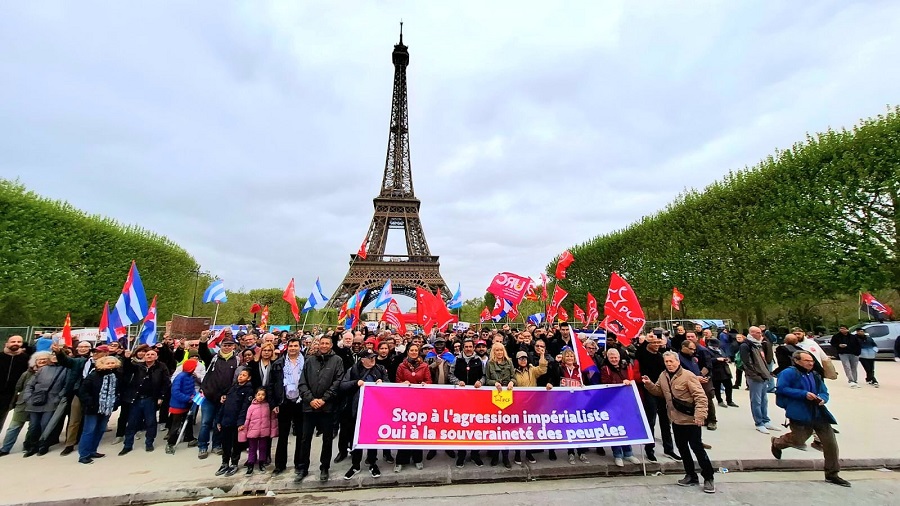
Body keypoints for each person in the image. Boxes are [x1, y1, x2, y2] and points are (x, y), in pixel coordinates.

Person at [771, 351, 849, 487]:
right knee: (798, 439)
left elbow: (824, 391)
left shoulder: (815, 374)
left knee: (830, 444)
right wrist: (803, 394)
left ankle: (832, 474)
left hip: (819, 414)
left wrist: (823, 399)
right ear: (797, 361)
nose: (811, 363)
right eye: (807, 360)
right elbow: (781, 389)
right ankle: (777, 443)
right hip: (799, 413)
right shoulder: (788, 373)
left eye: (811, 360)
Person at [642, 351, 715, 494]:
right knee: (682, 449)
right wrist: (649, 384)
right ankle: (690, 475)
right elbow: (659, 391)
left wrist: (700, 416)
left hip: (691, 420)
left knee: (697, 448)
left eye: (671, 361)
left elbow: (700, 397)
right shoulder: (663, 376)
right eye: (667, 362)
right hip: (676, 420)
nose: (669, 364)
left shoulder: (688, 376)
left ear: (678, 361)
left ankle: (708, 477)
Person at [296, 334, 344, 483]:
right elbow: (302, 382)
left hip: (327, 407)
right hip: (309, 407)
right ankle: (303, 467)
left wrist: (324, 399)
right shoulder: (310, 360)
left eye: (326, 343)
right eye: (321, 343)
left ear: (331, 345)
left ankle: (324, 467)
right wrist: (311, 399)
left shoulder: (337, 361)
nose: (323, 345)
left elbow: (338, 382)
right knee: (305, 439)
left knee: (327, 439)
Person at [340, 349, 388, 479]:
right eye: (369, 357)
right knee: (356, 437)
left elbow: (389, 384)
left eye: (373, 357)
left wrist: (382, 384)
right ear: (362, 359)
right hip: (357, 409)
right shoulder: (353, 370)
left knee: (372, 437)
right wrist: (355, 383)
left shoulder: (380, 369)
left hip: (374, 409)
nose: (373, 359)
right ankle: (355, 465)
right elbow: (343, 385)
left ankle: (373, 463)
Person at [634, 335, 679, 462]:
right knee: (651, 421)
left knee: (665, 421)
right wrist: (647, 340)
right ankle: (649, 449)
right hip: (650, 390)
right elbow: (639, 351)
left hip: (663, 391)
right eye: (654, 343)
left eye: (658, 343)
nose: (656, 345)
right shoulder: (643, 354)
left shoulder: (661, 356)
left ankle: (669, 449)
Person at [119, 348, 170, 455]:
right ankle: (127, 445)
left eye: (152, 354)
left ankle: (149, 443)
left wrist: (161, 396)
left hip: (150, 399)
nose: (149, 356)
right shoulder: (138, 366)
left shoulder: (161, 367)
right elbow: (127, 369)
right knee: (131, 423)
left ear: (156, 357)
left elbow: (166, 383)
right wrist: (127, 358)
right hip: (136, 399)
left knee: (151, 422)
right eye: (147, 354)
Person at [197, 332, 239, 459]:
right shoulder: (213, 358)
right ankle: (202, 446)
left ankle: (216, 445)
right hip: (209, 396)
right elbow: (203, 352)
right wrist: (203, 339)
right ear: (220, 346)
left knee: (218, 423)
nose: (227, 347)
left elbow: (235, 379)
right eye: (225, 345)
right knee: (205, 423)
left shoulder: (236, 360)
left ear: (233, 347)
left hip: (224, 398)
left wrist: (228, 394)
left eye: (229, 345)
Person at [0, 351, 48, 456]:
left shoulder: (51, 373)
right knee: (14, 426)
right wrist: (14, 403)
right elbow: (18, 387)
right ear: (35, 361)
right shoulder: (27, 373)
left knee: (33, 427)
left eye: (45, 359)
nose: (42, 361)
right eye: (39, 359)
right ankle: (5, 448)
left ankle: (28, 446)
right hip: (22, 404)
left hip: (39, 406)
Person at [76, 355, 121, 464]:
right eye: (108, 363)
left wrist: (115, 402)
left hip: (107, 408)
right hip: (93, 408)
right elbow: (82, 391)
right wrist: (90, 403)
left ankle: (93, 450)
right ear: (101, 364)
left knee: (100, 429)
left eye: (112, 363)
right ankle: (84, 455)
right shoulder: (93, 375)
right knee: (89, 430)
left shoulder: (116, 376)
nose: (110, 365)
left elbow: (118, 391)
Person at [394, 343, 431, 471]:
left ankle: (417, 458)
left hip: (419, 402)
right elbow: (397, 381)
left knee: (417, 430)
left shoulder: (424, 366)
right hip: (405, 402)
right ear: (408, 352)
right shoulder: (401, 366)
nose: (414, 352)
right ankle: (401, 460)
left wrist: (424, 384)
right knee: (405, 430)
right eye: (412, 350)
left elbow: (429, 381)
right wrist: (403, 383)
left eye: (416, 350)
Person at [270, 337, 305, 475]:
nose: (293, 348)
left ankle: (299, 463)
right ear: (287, 347)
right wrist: (274, 403)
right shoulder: (279, 363)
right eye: (291, 346)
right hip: (284, 402)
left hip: (301, 401)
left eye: (296, 346)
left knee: (301, 435)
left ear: (300, 347)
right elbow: (271, 385)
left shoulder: (306, 362)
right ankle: (280, 464)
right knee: (283, 435)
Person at [600, 348, 640, 467]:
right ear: (608, 358)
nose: (614, 359)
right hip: (612, 402)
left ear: (619, 357)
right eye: (611, 357)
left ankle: (628, 453)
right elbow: (604, 383)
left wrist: (629, 382)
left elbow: (633, 379)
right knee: (615, 428)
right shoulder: (605, 369)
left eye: (615, 357)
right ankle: (617, 454)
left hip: (625, 401)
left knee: (625, 427)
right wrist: (619, 384)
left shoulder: (625, 366)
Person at [22, 350, 67, 456]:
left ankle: (43, 445)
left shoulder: (65, 370)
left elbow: (65, 386)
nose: (55, 358)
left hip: (51, 402)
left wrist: (58, 397)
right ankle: (32, 446)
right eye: (53, 356)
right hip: (35, 401)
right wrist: (28, 397)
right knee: (33, 426)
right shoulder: (43, 369)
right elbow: (30, 384)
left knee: (45, 425)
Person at [450, 339, 485, 468]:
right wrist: (457, 382)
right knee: (462, 426)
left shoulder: (478, 360)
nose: (468, 349)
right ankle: (461, 454)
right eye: (466, 347)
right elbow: (451, 375)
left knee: (475, 426)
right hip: (460, 398)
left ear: (473, 348)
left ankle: (475, 454)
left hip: (476, 398)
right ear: (463, 348)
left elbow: (483, 375)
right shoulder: (457, 360)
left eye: (471, 347)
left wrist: (480, 382)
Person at [214, 369, 254, 476]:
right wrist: (219, 420)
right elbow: (224, 405)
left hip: (236, 422)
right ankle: (225, 462)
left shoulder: (248, 390)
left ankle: (234, 463)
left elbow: (245, 407)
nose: (240, 377)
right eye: (240, 375)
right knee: (225, 443)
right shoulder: (232, 388)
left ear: (249, 378)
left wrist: (241, 422)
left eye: (244, 375)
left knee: (236, 444)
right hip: (225, 420)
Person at [511, 349, 547, 465]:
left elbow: (542, 369)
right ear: (517, 360)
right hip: (517, 403)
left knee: (529, 428)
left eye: (525, 358)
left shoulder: (532, 370)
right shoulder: (513, 371)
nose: (523, 360)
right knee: (518, 428)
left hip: (531, 403)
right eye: (521, 358)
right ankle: (517, 452)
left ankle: (528, 452)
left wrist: (542, 355)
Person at [740, 327, 778, 434]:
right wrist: (755, 375)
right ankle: (759, 423)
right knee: (756, 400)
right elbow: (747, 363)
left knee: (764, 400)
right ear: (751, 333)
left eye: (760, 332)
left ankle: (766, 420)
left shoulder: (759, 344)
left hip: (763, 375)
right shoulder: (746, 345)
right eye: (757, 333)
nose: (760, 334)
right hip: (755, 377)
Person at [484, 342, 515, 468]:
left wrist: (512, 382)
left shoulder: (510, 363)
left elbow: (514, 377)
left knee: (506, 429)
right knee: (496, 429)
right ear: (493, 352)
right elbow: (487, 379)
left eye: (501, 350)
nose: (499, 352)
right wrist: (494, 383)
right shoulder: (489, 364)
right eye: (496, 350)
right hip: (494, 397)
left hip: (507, 398)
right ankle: (496, 455)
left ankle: (506, 457)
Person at [166, 358, 200, 454]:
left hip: (187, 404)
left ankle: (189, 438)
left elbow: (192, 388)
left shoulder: (191, 376)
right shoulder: (180, 377)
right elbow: (175, 392)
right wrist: (187, 398)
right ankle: (170, 443)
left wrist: (193, 395)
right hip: (178, 405)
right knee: (176, 425)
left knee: (188, 421)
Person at [241, 388, 277, 474]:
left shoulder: (268, 406)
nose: (260, 396)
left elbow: (272, 419)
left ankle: (262, 463)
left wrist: (272, 432)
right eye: (259, 394)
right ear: (255, 395)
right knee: (252, 448)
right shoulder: (251, 407)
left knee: (263, 448)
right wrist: (244, 430)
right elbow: (247, 419)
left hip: (264, 432)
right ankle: (250, 464)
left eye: (263, 395)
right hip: (252, 432)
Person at [0, 335, 30, 435]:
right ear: (7, 343)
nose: (16, 343)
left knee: (1, 416)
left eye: (19, 341)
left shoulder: (26, 359)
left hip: (11, 394)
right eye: (13, 341)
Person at [707, 339, 737, 408]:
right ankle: (720, 400)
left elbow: (726, 355)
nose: (716, 347)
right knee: (717, 387)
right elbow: (708, 360)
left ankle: (729, 400)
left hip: (725, 370)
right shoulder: (707, 351)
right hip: (716, 371)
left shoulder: (720, 349)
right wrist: (717, 359)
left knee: (729, 386)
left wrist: (727, 359)